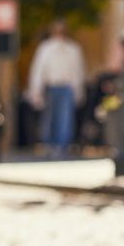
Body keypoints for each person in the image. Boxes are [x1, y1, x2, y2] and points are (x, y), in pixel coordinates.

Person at [27, 19, 86, 159]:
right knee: (50, 117)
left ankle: (62, 145)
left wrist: (78, 91)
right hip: (51, 87)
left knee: (65, 118)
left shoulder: (73, 49)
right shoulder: (45, 48)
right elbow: (38, 71)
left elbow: (78, 71)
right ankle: (50, 144)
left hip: (67, 87)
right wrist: (36, 90)